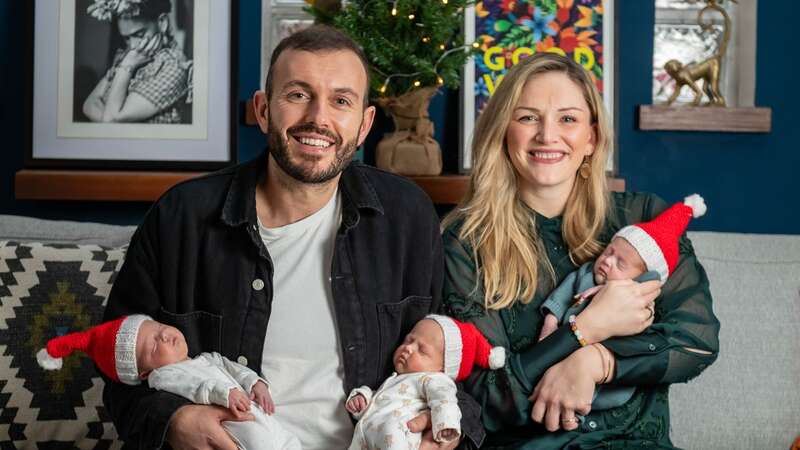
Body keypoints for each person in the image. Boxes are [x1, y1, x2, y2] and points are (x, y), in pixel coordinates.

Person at [102, 25, 482, 450]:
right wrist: (175, 421)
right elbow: (116, 370)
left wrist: (444, 434)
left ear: (364, 124)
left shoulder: (407, 216)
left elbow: (457, 362)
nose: (318, 119)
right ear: (264, 110)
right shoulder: (182, 217)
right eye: (298, 94)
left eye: (341, 101)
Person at [441, 52, 720, 448]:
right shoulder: (465, 244)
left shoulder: (644, 219)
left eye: (567, 119)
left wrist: (595, 362)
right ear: (504, 131)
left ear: (591, 138)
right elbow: (485, 402)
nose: (547, 135)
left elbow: (696, 340)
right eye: (527, 117)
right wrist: (582, 331)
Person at [537, 194, 707, 411]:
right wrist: (550, 322)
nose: (607, 261)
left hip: (601, 365)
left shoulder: (635, 299)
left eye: (621, 263)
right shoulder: (586, 274)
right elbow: (560, 296)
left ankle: (576, 410)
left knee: (591, 390)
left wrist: (614, 289)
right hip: (562, 344)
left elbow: (651, 287)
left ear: (639, 279)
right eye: (609, 251)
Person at [37, 315, 300, 450]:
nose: (163, 336)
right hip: (231, 422)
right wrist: (225, 392)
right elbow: (195, 389)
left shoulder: (206, 358)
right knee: (261, 441)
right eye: (152, 347)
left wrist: (255, 383)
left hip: (253, 413)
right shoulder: (164, 376)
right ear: (144, 373)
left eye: (158, 328)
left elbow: (234, 367)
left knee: (287, 440)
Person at [346, 314, 505, 449]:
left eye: (421, 350)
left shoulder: (433, 379)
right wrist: (363, 398)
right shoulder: (395, 379)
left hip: (400, 436)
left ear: (442, 369)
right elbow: (378, 401)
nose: (408, 348)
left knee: (392, 430)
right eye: (408, 340)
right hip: (365, 438)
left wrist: (446, 424)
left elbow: (444, 399)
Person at [82, 0, 192, 123]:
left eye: (139, 35)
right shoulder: (126, 57)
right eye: (127, 38)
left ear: (162, 23)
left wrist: (127, 66)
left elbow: (111, 119)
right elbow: (88, 104)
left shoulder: (175, 68)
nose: (133, 46)